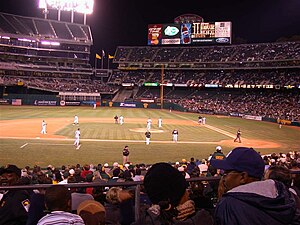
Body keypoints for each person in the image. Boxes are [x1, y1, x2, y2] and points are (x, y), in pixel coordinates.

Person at [211, 147, 300, 225]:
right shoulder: (287, 196)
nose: (224, 178)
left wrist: (223, 200)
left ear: (243, 177)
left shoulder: (228, 205)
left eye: (227, 173)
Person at [132, 162, 214, 225]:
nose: (188, 193)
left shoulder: (144, 220)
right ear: (179, 194)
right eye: (185, 189)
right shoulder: (203, 219)